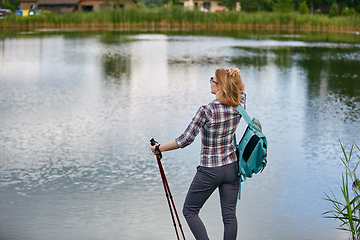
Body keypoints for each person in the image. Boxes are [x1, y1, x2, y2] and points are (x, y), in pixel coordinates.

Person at [151, 67, 246, 240]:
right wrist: (237, 76)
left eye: (213, 80)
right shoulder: (238, 106)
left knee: (190, 210)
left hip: (210, 170)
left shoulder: (207, 111)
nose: (210, 82)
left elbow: (185, 140)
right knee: (230, 216)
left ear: (220, 87)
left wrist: (159, 148)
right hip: (232, 168)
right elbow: (241, 89)